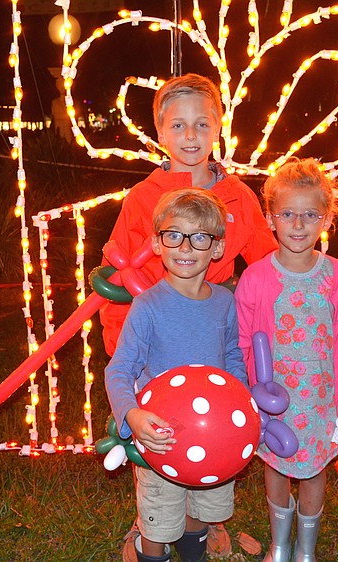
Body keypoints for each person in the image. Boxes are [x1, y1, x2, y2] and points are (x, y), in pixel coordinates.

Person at [105, 189, 248, 562]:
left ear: (216, 248)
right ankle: (149, 552)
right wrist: (132, 416)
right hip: (162, 440)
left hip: (215, 438)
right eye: (174, 235)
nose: (185, 247)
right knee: (159, 523)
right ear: (157, 243)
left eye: (199, 237)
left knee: (198, 512)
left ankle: (194, 555)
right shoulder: (147, 306)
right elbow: (119, 370)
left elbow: (232, 356)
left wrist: (243, 405)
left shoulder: (224, 302)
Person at [234, 159, 338, 562]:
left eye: (310, 215)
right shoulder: (255, 278)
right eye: (288, 214)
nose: (298, 224)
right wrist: (247, 393)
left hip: (320, 400)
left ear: (326, 219)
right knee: (275, 467)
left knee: (313, 471)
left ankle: (305, 551)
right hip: (274, 402)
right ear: (271, 217)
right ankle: (279, 546)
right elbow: (240, 341)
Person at [99, 73, 277, 357]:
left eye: (202, 124)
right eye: (178, 125)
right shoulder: (143, 198)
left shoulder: (238, 197)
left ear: (217, 130)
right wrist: (122, 350)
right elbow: (117, 276)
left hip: (215, 339)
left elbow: (272, 267)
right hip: (154, 339)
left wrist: (326, 273)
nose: (191, 135)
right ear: (160, 133)